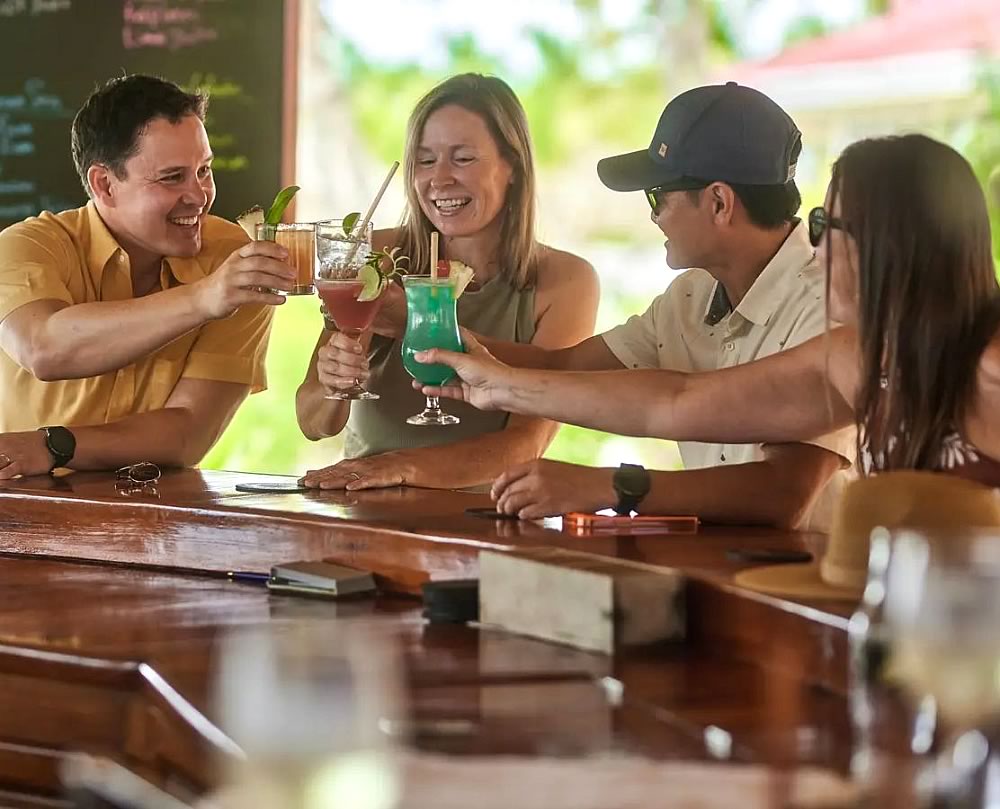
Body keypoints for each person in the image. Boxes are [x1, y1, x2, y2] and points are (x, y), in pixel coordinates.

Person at [416, 134, 1000, 495]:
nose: (814, 248)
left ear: (888, 242)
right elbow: (675, 402)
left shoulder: (989, 370)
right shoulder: (855, 357)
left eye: (827, 225)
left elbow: (779, 490)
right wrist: (501, 388)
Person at [414, 82, 855, 529]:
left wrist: (612, 486)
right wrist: (434, 338)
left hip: (811, 584)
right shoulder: (690, 296)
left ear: (719, 202)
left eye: (656, 197)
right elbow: (566, 368)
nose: (652, 216)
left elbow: (783, 493)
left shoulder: (829, 305)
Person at [295, 73, 599, 491]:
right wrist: (336, 383)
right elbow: (313, 423)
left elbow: (525, 444)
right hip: (363, 507)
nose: (439, 179)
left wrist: (401, 466)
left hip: (484, 523)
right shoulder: (377, 258)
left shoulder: (565, 282)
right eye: (424, 160)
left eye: (463, 158)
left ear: (512, 166)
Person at [0, 74, 292, 479]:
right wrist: (204, 300)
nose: (199, 195)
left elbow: (189, 432)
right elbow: (44, 348)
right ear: (104, 184)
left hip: (153, 524)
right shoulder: (28, 245)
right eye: (172, 177)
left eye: (204, 170)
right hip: (22, 516)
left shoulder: (231, 258)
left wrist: (54, 446)